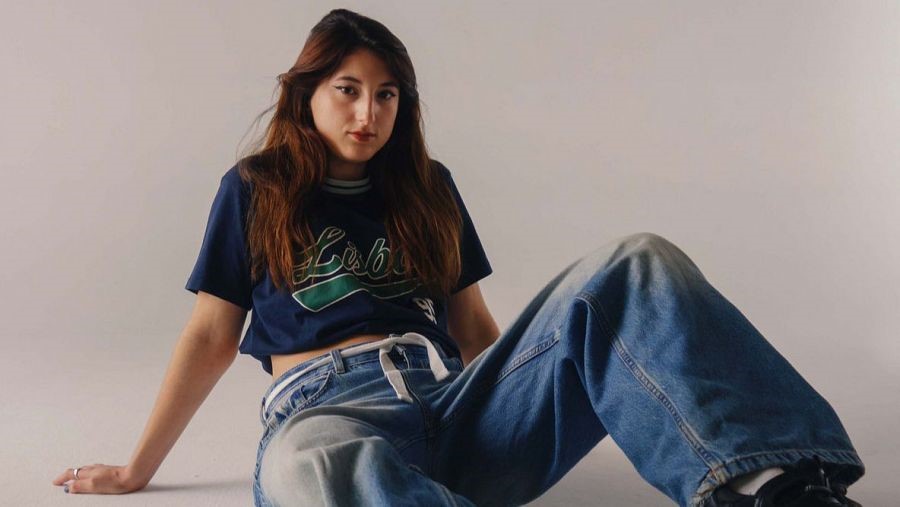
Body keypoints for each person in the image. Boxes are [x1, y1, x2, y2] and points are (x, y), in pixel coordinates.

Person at [52, 8, 866, 507]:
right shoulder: (255, 188)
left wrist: (540, 392)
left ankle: (772, 485)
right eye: (347, 88)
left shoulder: (427, 187)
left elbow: (474, 327)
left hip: (457, 409)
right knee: (310, 464)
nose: (368, 112)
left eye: (387, 94)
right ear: (307, 93)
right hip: (329, 414)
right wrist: (136, 468)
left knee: (639, 262)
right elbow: (209, 337)